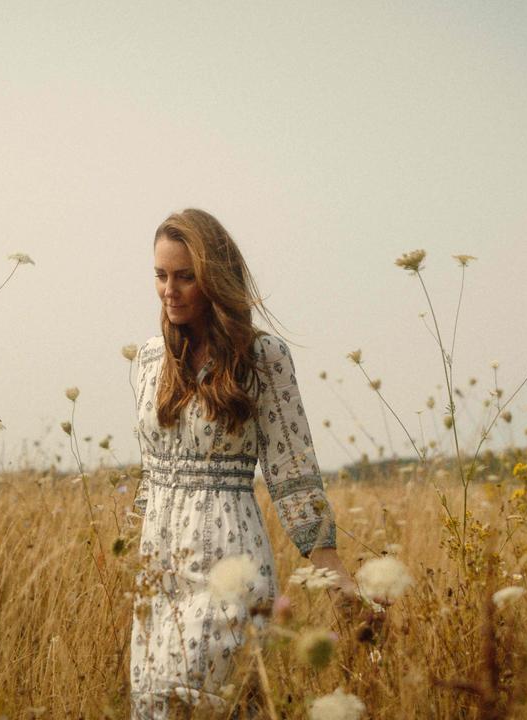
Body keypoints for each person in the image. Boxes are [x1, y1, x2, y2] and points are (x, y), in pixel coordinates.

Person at [128, 208, 369, 718]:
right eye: (160, 275)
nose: (169, 289)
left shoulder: (264, 358)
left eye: (185, 277)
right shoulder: (148, 360)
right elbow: (149, 476)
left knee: (216, 702)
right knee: (155, 704)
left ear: (214, 279)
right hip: (159, 569)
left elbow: (292, 473)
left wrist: (335, 575)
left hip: (230, 561)